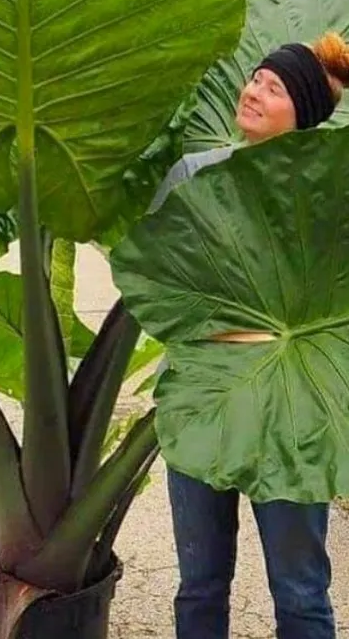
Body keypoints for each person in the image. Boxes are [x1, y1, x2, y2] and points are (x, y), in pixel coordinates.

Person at [150, 32, 349, 639]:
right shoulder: (193, 173)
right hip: (202, 406)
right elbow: (159, 281)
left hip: (290, 413)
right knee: (201, 586)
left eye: (276, 87)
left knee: (299, 592)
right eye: (257, 79)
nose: (255, 92)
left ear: (304, 116)